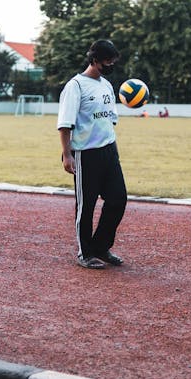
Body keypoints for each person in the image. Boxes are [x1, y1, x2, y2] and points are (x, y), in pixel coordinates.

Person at [57, 39, 128, 269]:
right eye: (109, 61)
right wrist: (67, 155)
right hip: (85, 155)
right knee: (86, 206)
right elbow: (65, 124)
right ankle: (85, 252)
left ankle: (101, 247)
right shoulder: (75, 86)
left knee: (118, 199)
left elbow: (111, 118)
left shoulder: (106, 85)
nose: (111, 65)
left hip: (109, 151)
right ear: (95, 60)